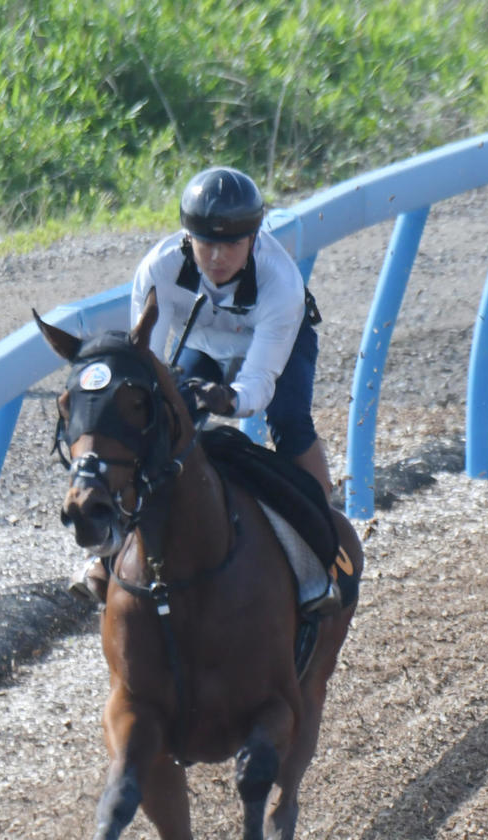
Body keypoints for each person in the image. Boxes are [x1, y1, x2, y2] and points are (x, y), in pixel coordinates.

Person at [70, 166, 333, 604]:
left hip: (275, 347)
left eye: (231, 243)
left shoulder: (280, 281)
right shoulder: (158, 267)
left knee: (288, 421)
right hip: (206, 344)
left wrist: (230, 398)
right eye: (206, 242)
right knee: (158, 426)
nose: (216, 257)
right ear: (186, 235)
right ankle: (109, 552)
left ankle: (324, 547)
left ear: (254, 237)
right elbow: (145, 366)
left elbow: (259, 384)